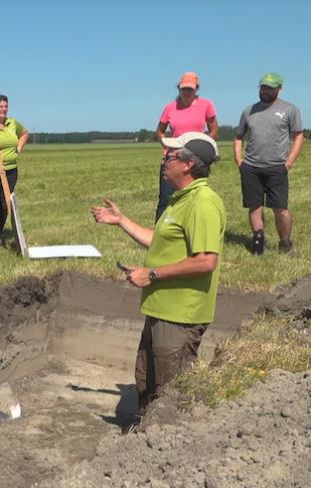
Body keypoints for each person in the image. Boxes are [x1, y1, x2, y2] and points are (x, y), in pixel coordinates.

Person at [91, 132, 225, 432]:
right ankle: (143, 438)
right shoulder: (180, 201)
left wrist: (150, 274)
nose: (164, 160)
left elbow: (206, 261)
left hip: (180, 316)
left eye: (171, 156)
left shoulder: (202, 203)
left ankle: (164, 445)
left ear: (189, 164)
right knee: (147, 382)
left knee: (170, 391)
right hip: (162, 310)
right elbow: (158, 242)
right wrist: (121, 220)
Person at [234, 72, 304, 255]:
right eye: (263, 88)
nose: (265, 91)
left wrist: (289, 162)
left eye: (270, 88)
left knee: (280, 208)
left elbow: (298, 136)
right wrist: (239, 160)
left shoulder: (290, 110)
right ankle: (258, 240)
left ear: (279, 89)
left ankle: (285, 243)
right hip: (251, 166)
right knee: (254, 206)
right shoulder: (249, 111)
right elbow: (238, 136)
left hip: (277, 167)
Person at [154, 72, 218, 221]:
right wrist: (166, 145)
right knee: (166, 199)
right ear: (178, 88)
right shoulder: (170, 107)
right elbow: (160, 131)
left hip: (194, 159)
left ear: (196, 89)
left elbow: (214, 130)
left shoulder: (206, 105)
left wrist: (203, 147)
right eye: (184, 89)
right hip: (173, 156)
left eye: (190, 89)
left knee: (193, 198)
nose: (187, 92)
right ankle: (158, 234)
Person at [0, 94, 29, 245]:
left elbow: (25, 133)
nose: (4, 109)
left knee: (4, 203)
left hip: (10, 171)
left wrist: (19, 148)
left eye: (5, 106)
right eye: (0, 106)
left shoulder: (12, 123)